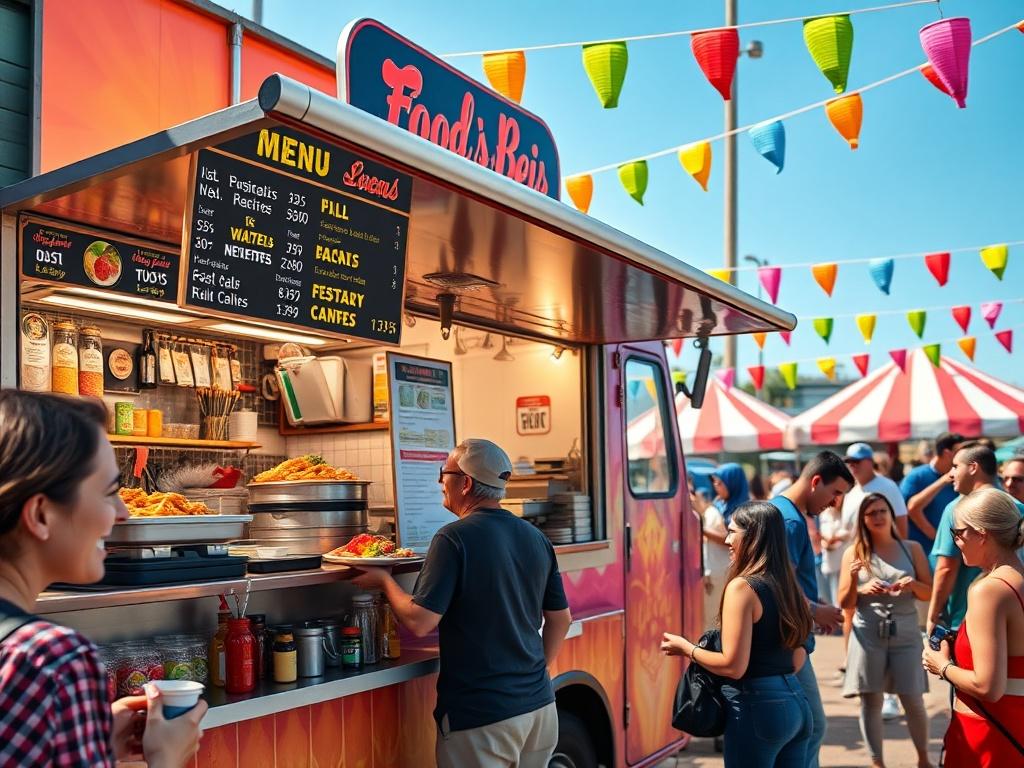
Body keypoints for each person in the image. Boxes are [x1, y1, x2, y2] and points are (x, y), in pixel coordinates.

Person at [0, 390, 204, 768]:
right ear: (41, 515)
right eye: (109, 492)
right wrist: (166, 759)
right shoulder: (52, 660)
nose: (123, 512)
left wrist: (88, 744)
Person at [351, 439, 572, 767]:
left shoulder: (452, 538)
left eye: (445, 473)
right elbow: (561, 619)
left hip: (483, 717)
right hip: (540, 710)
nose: (441, 482)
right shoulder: (536, 538)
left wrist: (384, 581)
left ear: (465, 483)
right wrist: (536, 673)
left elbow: (420, 621)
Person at [661, 501, 815, 768]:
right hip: (796, 704)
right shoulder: (789, 586)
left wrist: (687, 648)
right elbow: (799, 656)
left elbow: (733, 665)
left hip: (758, 707)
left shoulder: (743, 588)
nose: (727, 539)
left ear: (752, 535)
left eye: (732, 532)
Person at [922, 488, 1024, 766]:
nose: (956, 541)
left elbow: (987, 685)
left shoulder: (990, 589)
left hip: (989, 735)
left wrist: (940, 664)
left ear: (981, 533)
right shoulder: (1015, 579)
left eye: (958, 533)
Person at [839, 494, 934, 768]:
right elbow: (844, 602)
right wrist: (859, 585)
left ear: (892, 515)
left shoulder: (912, 548)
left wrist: (912, 585)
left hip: (905, 631)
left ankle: (924, 759)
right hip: (867, 632)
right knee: (870, 700)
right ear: (863, 520)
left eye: (883, 511)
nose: (878, 517)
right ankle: (876, 762)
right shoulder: (854, 553)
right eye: (871, 514)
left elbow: (928, 593)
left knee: (913, 699)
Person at [773, 451, 854, 768]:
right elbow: (779, 585)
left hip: (789, 637)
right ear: (816, 481)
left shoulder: (782, 510)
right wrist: (813, 610)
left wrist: (815, 608)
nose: (835, 503)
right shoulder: (791, 520)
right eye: (835, 493)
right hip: (789, 641)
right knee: (810, 727)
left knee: (800, 730)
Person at [927, 443, 1024, 636]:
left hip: (965, 620)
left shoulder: (958, 508)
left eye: (956, 466)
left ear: (973, 467)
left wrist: (932, 616)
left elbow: (946, 568)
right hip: (1015, 610)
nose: (951, 473)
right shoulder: (1017, 505)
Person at [901, 432, 963, 551]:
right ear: (947, 453)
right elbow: (908, 510)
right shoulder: (916, 476)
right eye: (959, 452)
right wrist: (938, 539)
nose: (964, 456)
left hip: (952, 552)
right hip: (922, 552)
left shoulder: (960, 476)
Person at [842, 443, 909, 539]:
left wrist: (899, 551)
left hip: (883, 552)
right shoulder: (851, 492)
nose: (852, 465)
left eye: (856, 461)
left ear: (870, 462)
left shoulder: (888, 486)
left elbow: (901, 523)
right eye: (849, 462)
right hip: (857, 552)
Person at [818, 494, 850, 607]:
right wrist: (825, 543)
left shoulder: (848, 511)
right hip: (830, 562)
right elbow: (822, 534)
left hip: (845, 562)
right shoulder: (825, 513)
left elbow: (850, 532)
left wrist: (836, 538)